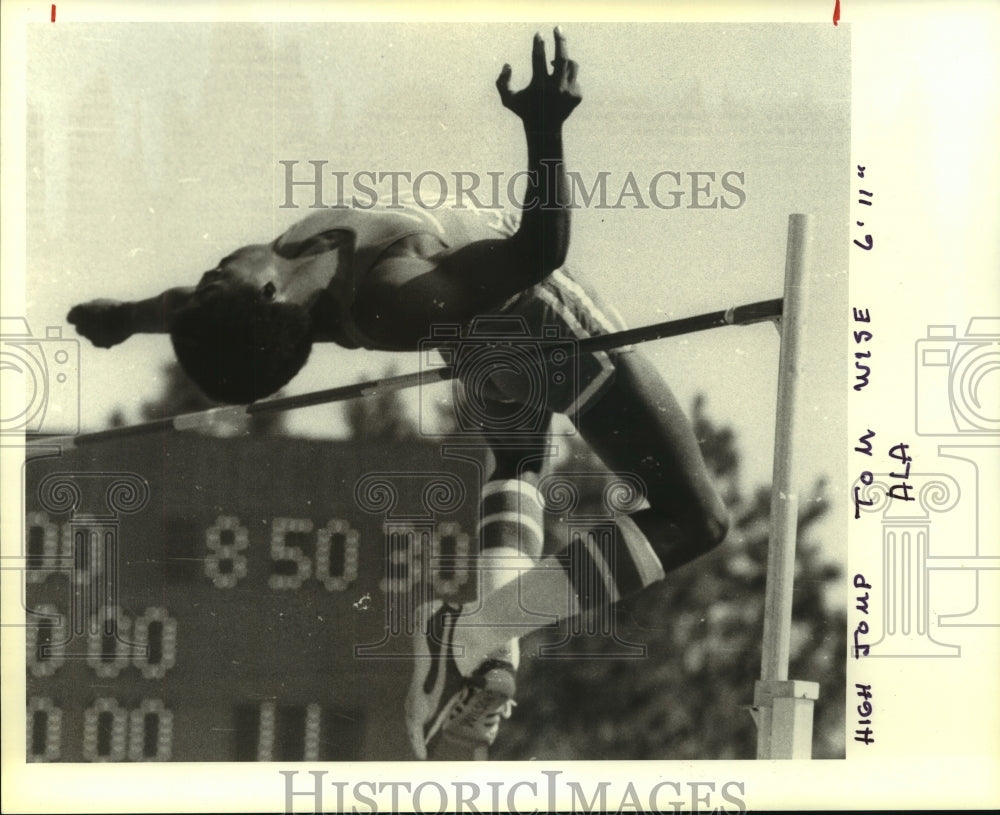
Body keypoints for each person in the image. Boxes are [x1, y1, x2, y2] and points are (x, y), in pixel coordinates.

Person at [67, 28, 729, 760]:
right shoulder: (387, 293)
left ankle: (487, 667)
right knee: (696, 518)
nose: (209, 269)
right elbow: (535, 255)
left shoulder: (279, 292)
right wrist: (545, 130)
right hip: (536, 320)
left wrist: (123, 319)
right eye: (217, 273)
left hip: (478, 333)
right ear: (261, 289)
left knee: (516, 469)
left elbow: (179, 302)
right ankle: (473, 635)